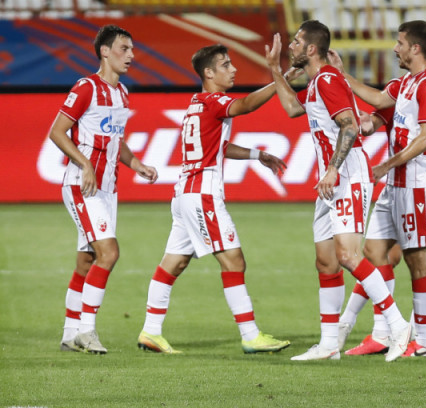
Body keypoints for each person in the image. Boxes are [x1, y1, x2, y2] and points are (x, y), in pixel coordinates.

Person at [265, 20, 411, 362]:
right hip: (330, 179)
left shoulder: (328, 79)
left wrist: (332, 169)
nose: (291, 46)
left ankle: (398, 325)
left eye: (297, 41)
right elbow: (292, 108)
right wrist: (274, 69)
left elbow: (349, 127)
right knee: (326, 261)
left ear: (311, 49)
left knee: (347, 255)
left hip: (346, 174)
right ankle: (330, 344)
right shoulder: (318, 82)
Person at [137, 44, 293, 355]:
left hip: (184, 194)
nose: (233, 69)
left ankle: (150, 331)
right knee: (234, 261)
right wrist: (280, 78)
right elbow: (246, 105)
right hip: (202, 195)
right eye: (225, 65)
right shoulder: (215, 101)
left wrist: (257, 154)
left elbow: (216, 146)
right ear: (209, 73)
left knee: (174, 263)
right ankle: (250, 336)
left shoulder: (196, 104)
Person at [331, 28, 426, 356]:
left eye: (400, 43)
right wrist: (341, 74)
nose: (394, 48)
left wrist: (386, 164)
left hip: (419, 182)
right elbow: (378, 100)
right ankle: (385, 332)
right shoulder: (405, 83)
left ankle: (423, 342)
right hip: (397, 183)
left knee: (419, 259)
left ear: (415, 48)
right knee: (374, 252)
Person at [49, 25, 159, 354]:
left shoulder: (122, 93)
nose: (131, 55)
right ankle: (87, 331)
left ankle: (70, 334)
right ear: (105, 52)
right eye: (124, 48)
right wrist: (85, 164)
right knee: (109, 253)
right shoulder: (86, 87)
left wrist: (136, 163)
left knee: (87, 261)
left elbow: (115, 139)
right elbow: (57, 132)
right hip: (83, 185)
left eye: (133, 49)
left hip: (108, 189)